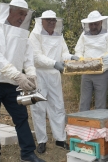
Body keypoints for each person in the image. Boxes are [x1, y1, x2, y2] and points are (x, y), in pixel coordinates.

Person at [0, 0, 44, 162]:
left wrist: (31, 74)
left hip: (13, 84)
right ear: (10, 11)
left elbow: (28, 57)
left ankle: (28, 153)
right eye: (20, 13)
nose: (22, 17)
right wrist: (19, 75)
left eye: (25, 14)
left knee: (21, 118)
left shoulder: (23, 33)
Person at [29, 10, 78, 154]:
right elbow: (36, 57)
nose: (51, 22)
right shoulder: (34, 35)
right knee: (38, 108)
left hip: (54, 75)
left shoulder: (58, 35)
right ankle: (41, 141)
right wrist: (54, 63)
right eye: (48, 20)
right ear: (42, 21)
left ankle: (60, 139)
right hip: (37, 75)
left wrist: (71, 57)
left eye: (53, 20)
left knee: (58, 106)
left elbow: (63, 53)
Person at [75, 10, 108, 111]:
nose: (93, 26)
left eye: (96, 24)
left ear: (101, 23)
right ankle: (84, 124)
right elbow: (78, 49)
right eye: (91, 24)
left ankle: (98, 126)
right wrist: (80, 58)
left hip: (102, 72)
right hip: (86, 71)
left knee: (100, 103)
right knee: (84, 102)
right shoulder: (84, 35)